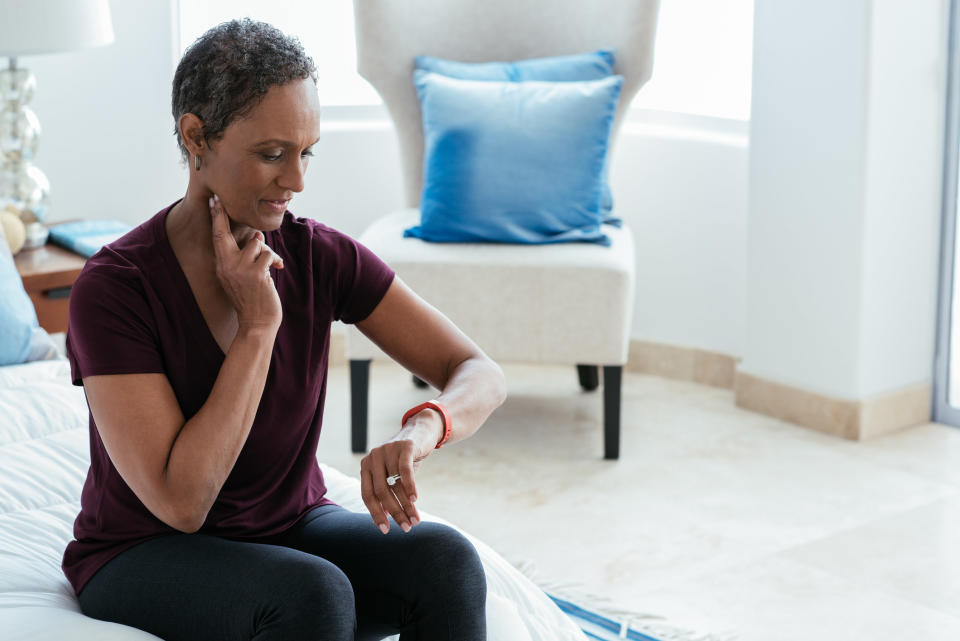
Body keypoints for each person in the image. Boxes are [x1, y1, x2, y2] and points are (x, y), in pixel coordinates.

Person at [62, 18, 507, 641]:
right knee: (314, 594)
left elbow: (479, 373)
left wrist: (422, 428)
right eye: (272, 154)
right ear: (196, 138)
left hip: (288, 526)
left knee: (446, 561)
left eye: (306, 153)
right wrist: (258, 327)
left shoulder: (317, 255)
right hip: (143, 552)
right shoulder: (115, 288)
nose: (296, 182)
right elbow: (182, 503)